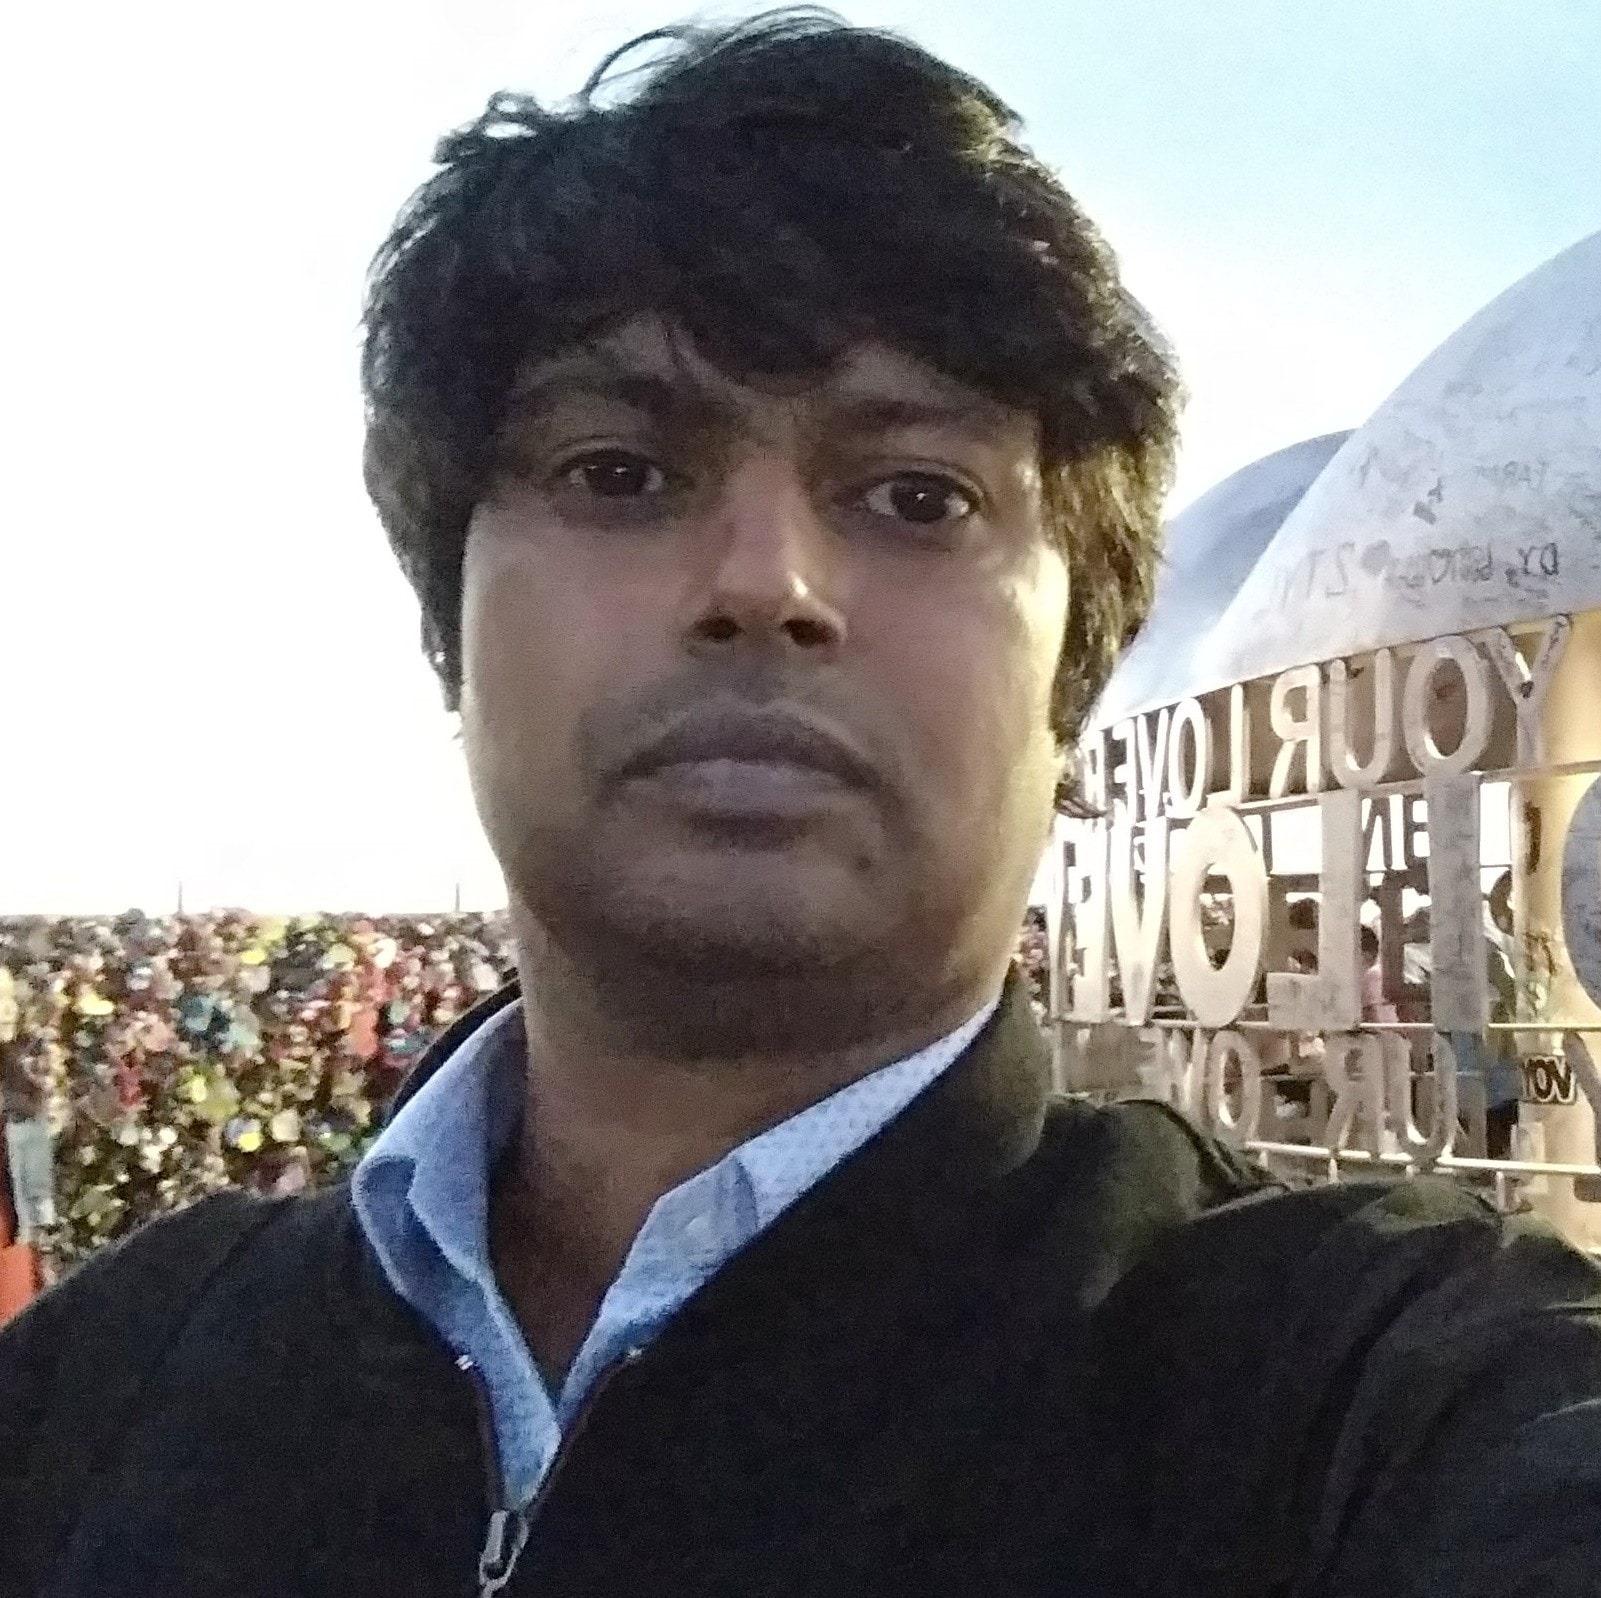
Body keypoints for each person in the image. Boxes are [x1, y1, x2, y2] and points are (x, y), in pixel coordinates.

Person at [5, 15, 1601, 1597]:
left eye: (917, 496)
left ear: (1072, 680)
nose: (767, 582)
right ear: (449, 625)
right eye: (619, 471)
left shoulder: (1363, 1405)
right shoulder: (104, 1387)